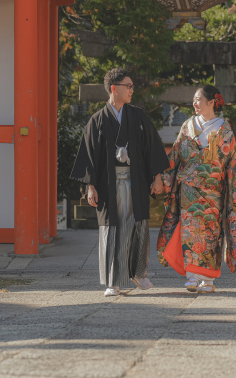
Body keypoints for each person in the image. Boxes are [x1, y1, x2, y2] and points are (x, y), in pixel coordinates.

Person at [71, 67, 169, 296]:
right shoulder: (97, 121)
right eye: (129, 86)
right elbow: (89, 155)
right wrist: (90, 186)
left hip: (135, 181)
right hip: (108, 184)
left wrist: (157, 177)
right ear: (114, 88)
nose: (132, 90)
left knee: (138, 226)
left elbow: (151, 146)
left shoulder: (138, 116)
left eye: (132, 86)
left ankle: (139, 274)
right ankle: (112, 281)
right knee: (111, 230)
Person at [157, 85, 236, 293]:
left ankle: (208, 280)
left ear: (211, 102)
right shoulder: (187, 126)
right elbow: (175, 156)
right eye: (193, 99)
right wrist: (161, 179)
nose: (194, 103)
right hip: (188, 193)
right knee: (190, 232)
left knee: (211, 234)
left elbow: (234, 163)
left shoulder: (224, 129)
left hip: (213, 192)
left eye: (198, 99)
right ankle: (192, 276)